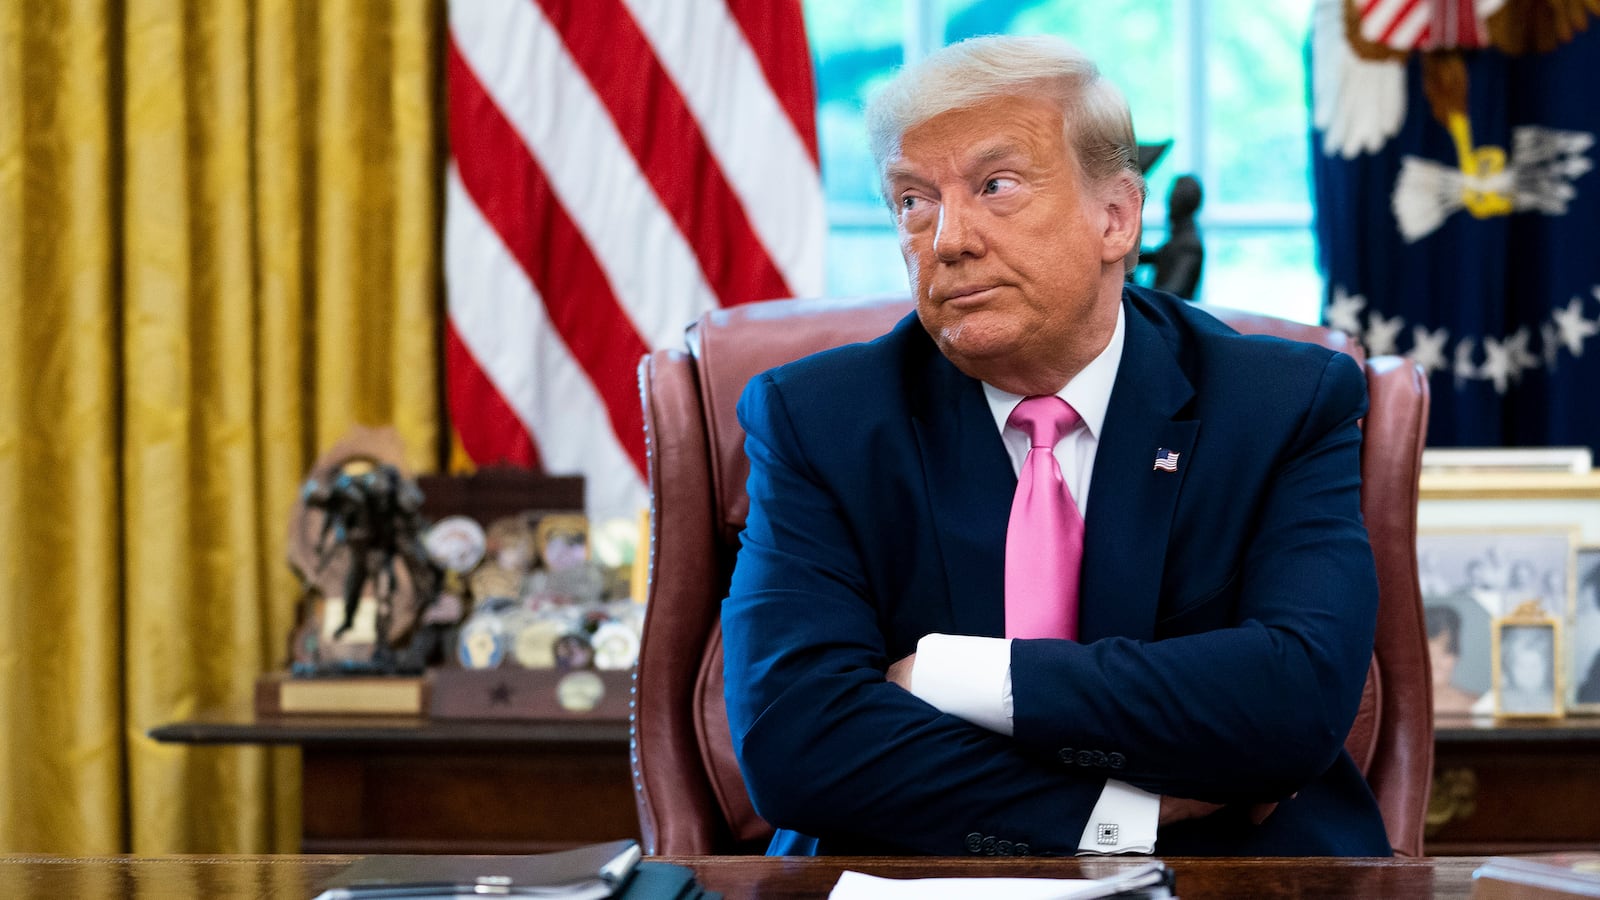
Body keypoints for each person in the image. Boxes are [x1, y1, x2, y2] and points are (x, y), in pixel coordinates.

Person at [720, 35, 1387, 857]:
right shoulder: (819, 420)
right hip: (914, 872)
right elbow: (797, 746)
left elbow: (1295, 700)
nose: (946, 241)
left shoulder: (1281, 404)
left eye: (996, 187)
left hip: (1235, 871)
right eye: (912, 201)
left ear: (1117, 217)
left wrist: (951, 675)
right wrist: (1122, 816)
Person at [1138, 175, 1204, 299]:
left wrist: (1140, 293)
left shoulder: (1188, 244)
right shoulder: (1178, 238)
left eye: (1172, 198)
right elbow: (1152, 256)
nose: (1167, 203)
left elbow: (1174, 290)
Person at [1426, 605, 1482, 714]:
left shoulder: (1478, 706)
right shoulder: (1401, 709)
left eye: (1446, 651)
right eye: (1428, 654)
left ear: (1456, 655)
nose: (1435, 663)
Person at [1498, 626, 1556, 715]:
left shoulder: (1554, 701)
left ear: (1547, 667)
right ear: (1510, 668)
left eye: (1535, 666)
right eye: (1522, 666)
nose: (1529, 673)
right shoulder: (1502, 701)